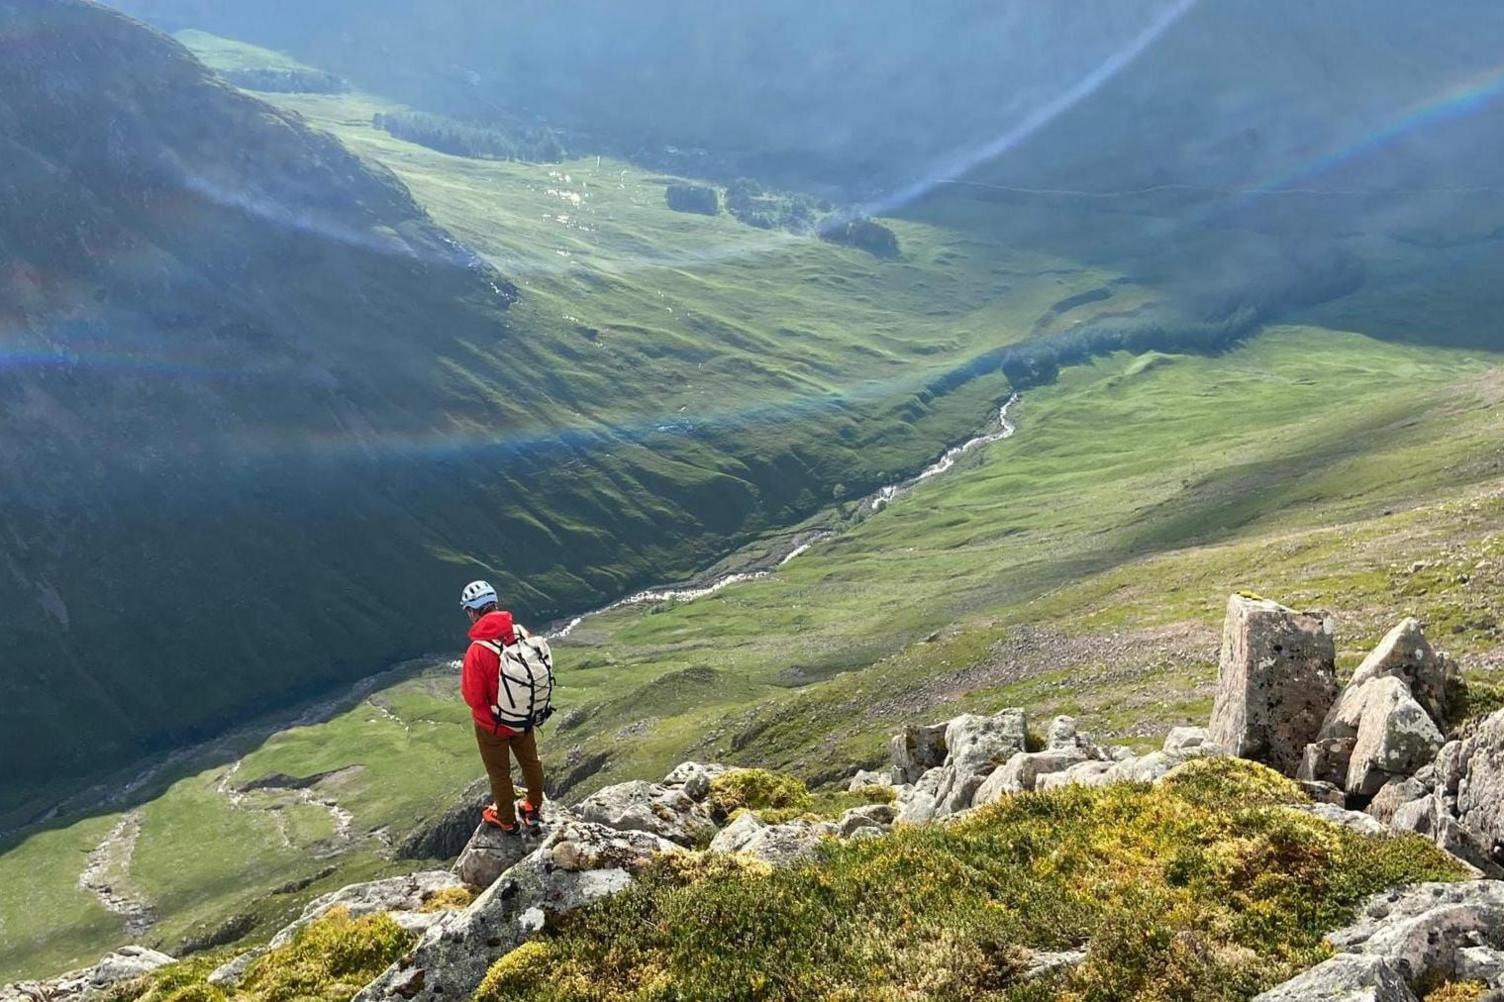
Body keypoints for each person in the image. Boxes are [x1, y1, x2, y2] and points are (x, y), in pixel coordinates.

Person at [459, 579, 546, 834]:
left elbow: (473, 697)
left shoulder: (477, 651)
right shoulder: (519, 632)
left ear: (473, 612)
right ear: (496, 604)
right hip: (523, 715)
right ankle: (533, 807)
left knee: (500, 773)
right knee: (531, 762)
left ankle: (506, 819)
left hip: (492, 724)